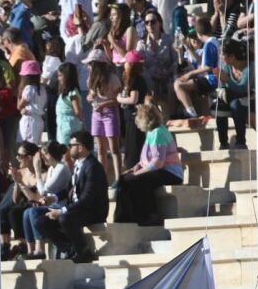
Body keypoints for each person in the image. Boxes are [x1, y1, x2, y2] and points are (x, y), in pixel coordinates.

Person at [41, 130, 105, 263]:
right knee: (41, 221)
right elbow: (69, 189)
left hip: (92, 211)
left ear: (80, 147)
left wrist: (61, 210)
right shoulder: (78, 164)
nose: (68, 149)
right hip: (77, 208)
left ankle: (83, 251)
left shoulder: (92, 166)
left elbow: (87, 199)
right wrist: (54, 198)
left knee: (64, 218)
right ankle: (70, 249)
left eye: (71, 145)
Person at [113, 103, 181, 226]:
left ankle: (146, 216)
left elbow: (158, 162)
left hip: (170, 172)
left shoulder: (158, 132)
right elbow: (145, 159)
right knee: (123, 179)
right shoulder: (151, 132)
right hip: (158, 170)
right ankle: (122, 217)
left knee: (134, 180)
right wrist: (136, 168)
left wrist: (137, 174)